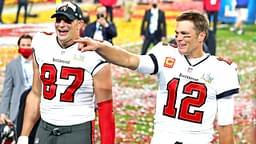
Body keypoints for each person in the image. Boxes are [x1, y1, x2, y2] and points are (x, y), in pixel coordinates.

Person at [76, 11, 240, 144]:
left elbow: (225, 127)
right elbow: (129, 60)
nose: (179, 38)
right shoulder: (165, 54)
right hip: (163, 138)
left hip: (197, 139)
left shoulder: (221, 69)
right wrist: (100, 47)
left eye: (185, 34)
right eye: (177, 33)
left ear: (201, 36)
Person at [17, 2, 115, 144]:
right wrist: (24, 136)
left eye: (68, 20)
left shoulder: (95, 53)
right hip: (45, 128)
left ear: (80, 24)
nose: (61, 24)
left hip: (76, 130)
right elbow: (36, 93)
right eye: (58, 20)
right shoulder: (42, 43)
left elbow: (105, 107)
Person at [0, 34, 33, 143]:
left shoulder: (40, 63)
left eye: (28, 45)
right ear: (18, 46)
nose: (26, 47)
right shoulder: (12, 65)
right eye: (23, 45)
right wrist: (3, 112)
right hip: (18, 107)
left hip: (36, 105)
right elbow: (7, 91)